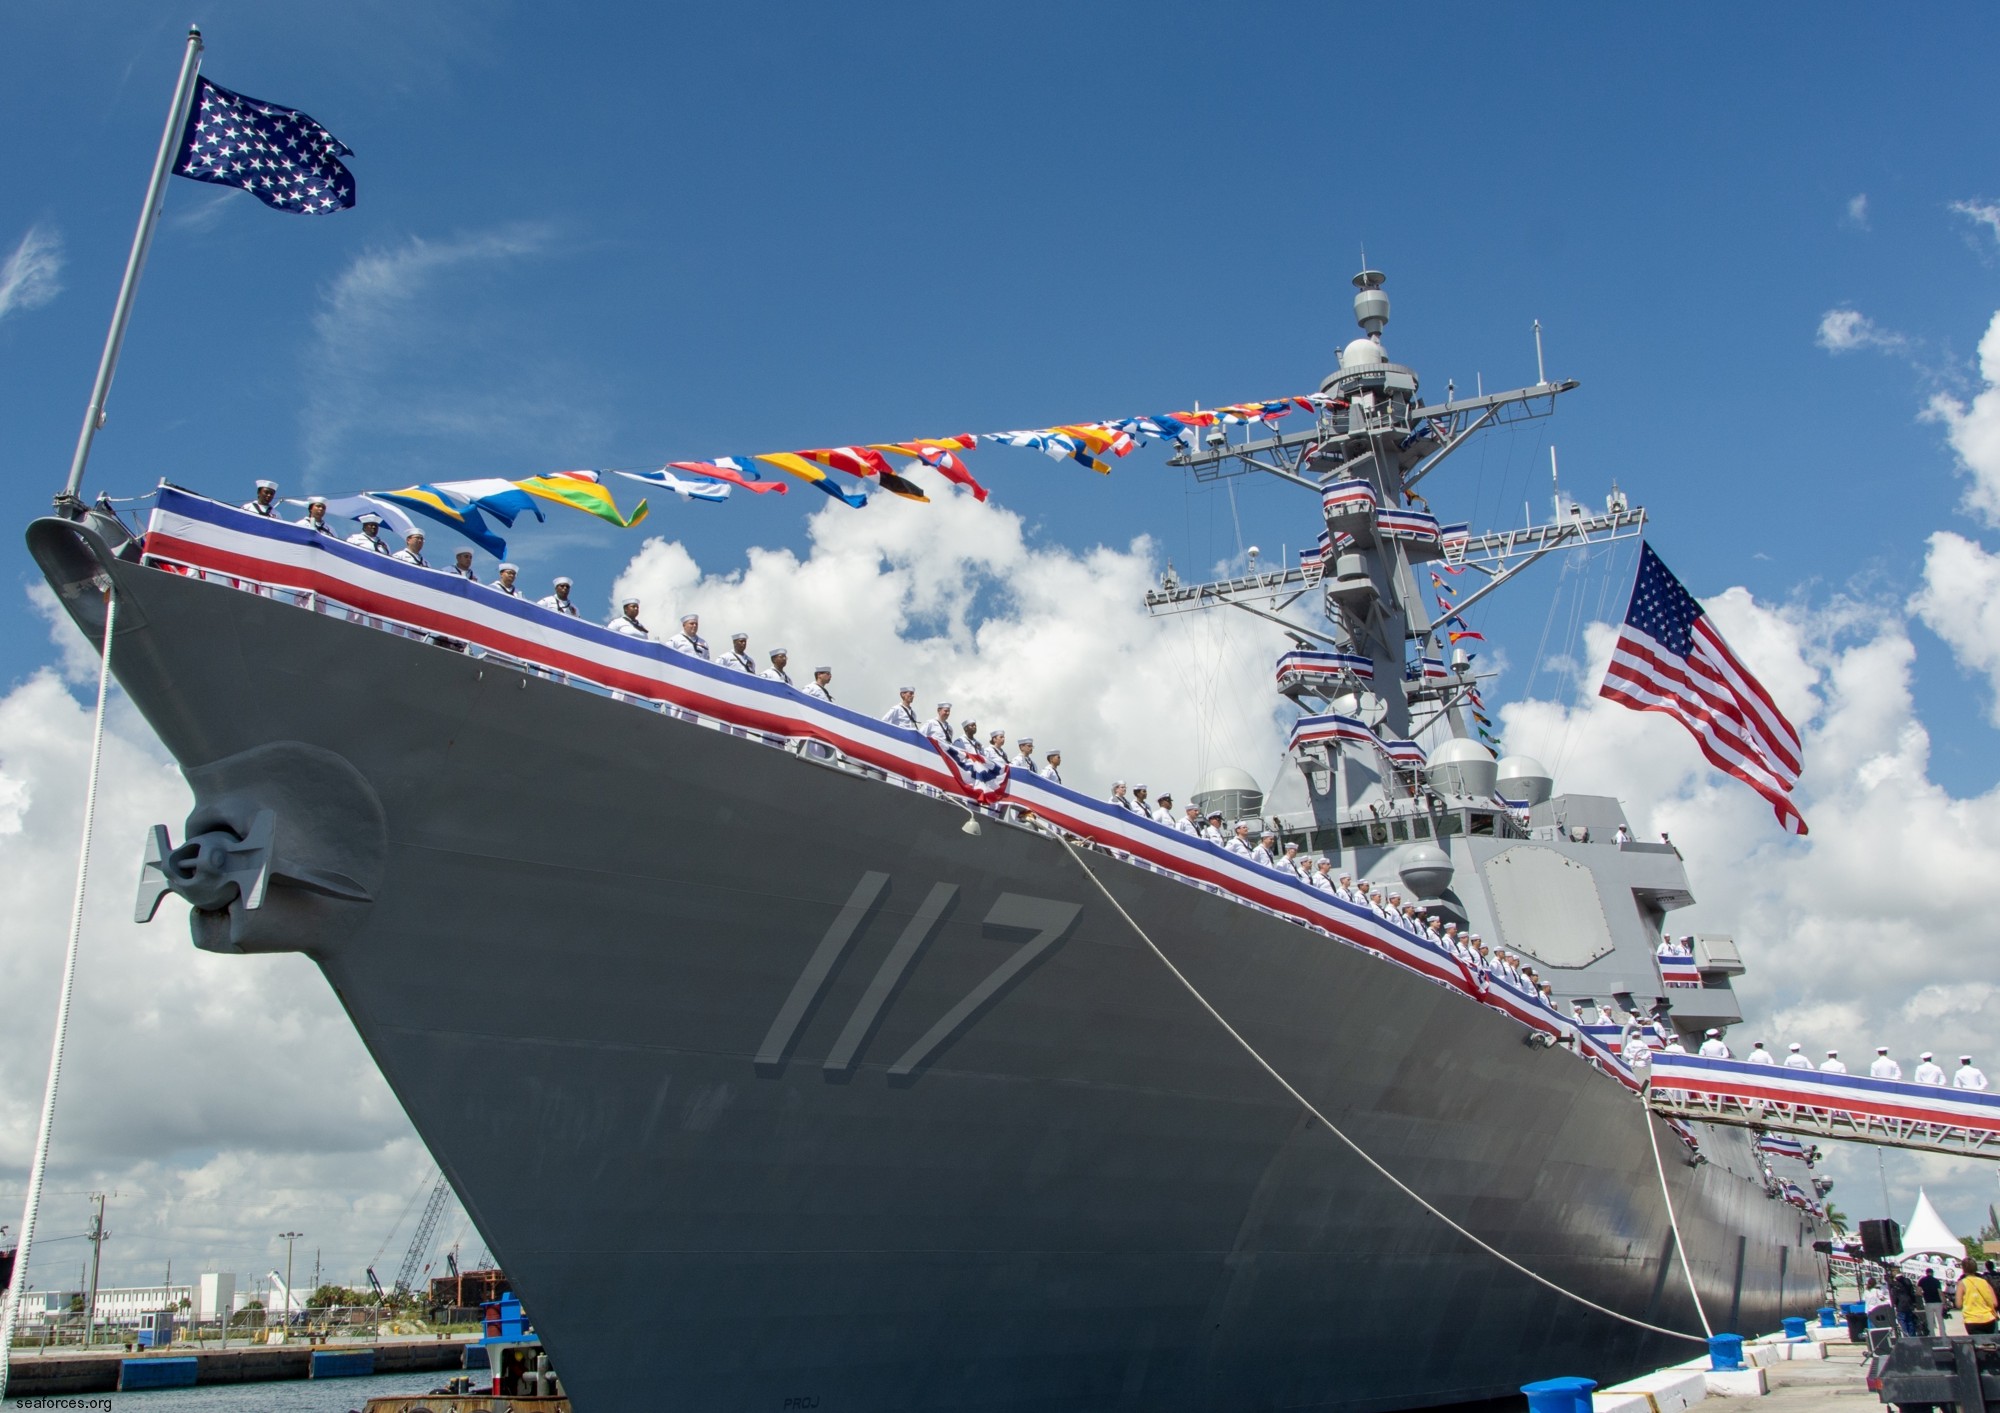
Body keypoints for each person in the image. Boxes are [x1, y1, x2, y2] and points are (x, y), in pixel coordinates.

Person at [1958, 1258, 1997, 1335]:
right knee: (1991, 1344)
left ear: (1963, 1269)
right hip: (1989, 1319)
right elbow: (1994, 1303)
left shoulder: (1962, 1283)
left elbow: (1958, 1304)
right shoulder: (1984, 1282)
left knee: (1978, 1344)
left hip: (1971, 1320)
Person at [1917, 1268, 1945, 1340]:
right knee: (1940, 1320)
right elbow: (1940, 1292)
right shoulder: (1936, 1281)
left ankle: (1932, 1336)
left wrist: (1923, 1294)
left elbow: (1918, 1292)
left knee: (1930, 1320)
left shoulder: (1922, 1280)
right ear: (1932, 1273)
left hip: (1928, 1302)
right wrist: (1944, 1302)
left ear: (1926, 1273)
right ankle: (1943, 1335)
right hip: (1937, 1302)